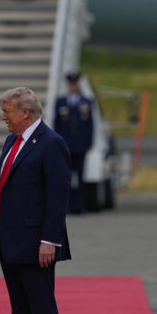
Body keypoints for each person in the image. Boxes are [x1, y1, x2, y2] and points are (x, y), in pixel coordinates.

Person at [0, 87, 72, 314]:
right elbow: (6, 184)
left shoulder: (51, 143)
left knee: (42, 312)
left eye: (7, 111)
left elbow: (57, 196)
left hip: (37, 245)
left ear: (26, 112)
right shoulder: (13, 140)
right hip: (10, 242)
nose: (3, 117)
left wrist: (50, 240)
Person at [53, 72, 94, 214]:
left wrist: (89, 142)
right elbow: (57, 124)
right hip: (66, 145)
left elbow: (90, 124)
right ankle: (68, 205)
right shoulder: (61, 102)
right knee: (66, 177)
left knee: (80, 176)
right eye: (71, 84)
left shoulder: (85, 102)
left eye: (75, 84)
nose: (73, 87)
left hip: (80, 145)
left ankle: (80, 205)